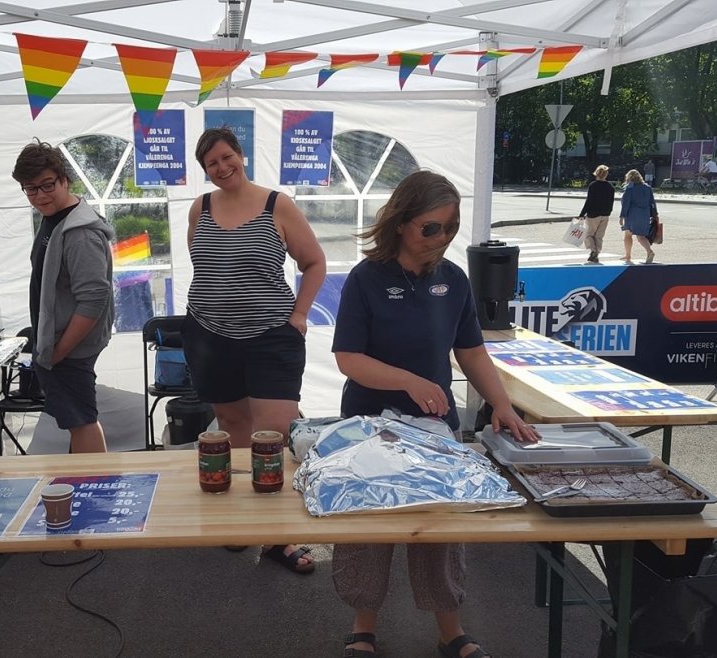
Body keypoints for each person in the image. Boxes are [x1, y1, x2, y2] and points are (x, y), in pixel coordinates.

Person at [331, 170, 541, 658]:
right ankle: (363, 629)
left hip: (433, 427)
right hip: (370, 423)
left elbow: (471, 351)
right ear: (400, 223)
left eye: (450, 227)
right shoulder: (367, 278)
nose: (441, 237)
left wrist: (502, 404)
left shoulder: (454, 279)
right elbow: (348, 359)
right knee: (369, 528)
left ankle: (451, 632)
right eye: (430, 227)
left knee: (442, 530)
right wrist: (408, 380)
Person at [183, 126, 326, 574]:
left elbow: (314, 262)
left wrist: (299, 314)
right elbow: (205, 266)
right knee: (232, 427)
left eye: (227, 157)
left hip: (271, 338)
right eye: (211, 163)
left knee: (276, 435)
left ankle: (279, 535)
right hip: (210, 335)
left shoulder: (276, 205)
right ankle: (243, 521)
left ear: (241, 155)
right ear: (205, 170)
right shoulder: (200, 207)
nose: (222, 167)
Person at [12, 140, 115, 453]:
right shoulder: (54, 218)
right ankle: (85, 478)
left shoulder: (80, 233)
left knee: (81, 421)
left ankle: (93, 481)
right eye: (31, 189)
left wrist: (59, 352)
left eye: (48, 185)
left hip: (69, 348)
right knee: (77, 420)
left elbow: (94, 299)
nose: (40, 195)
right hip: (56, 343)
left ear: (65, 180)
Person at [619, 169, 659, 264]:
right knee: (641, 236)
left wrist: (622, 216)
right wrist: (655, 214)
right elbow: (652, 202)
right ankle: (649, 250)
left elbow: (626, 203)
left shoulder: (629, 188)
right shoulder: (647, 187)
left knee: (628, 235)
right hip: (645, 214)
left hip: (632, 214)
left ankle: (628, 255)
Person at [577, 164, 615, 264]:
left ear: (596, 173)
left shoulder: (593, 185)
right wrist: (609, 211)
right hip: (605, 214)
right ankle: (596, 254)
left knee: (588, 234)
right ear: (606, 174)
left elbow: (589, 201)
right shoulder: (610, 186)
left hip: (593, 214)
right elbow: (611, 201)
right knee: (599, 236)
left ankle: (593, 251)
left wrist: (582, 214)